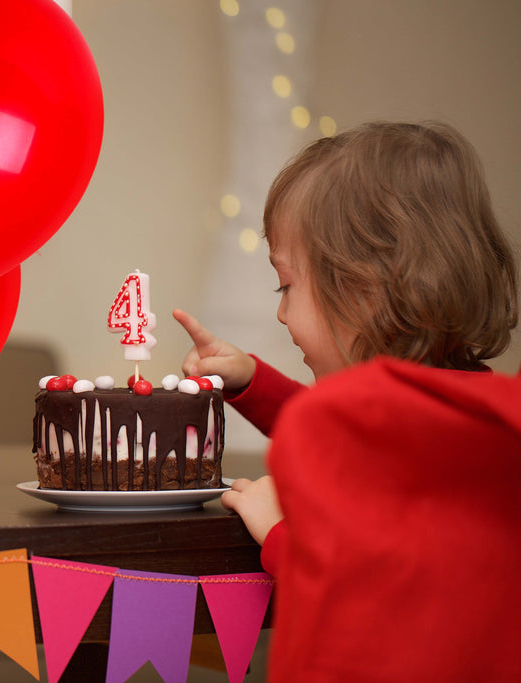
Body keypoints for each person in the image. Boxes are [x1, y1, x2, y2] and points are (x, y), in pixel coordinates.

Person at [174, 121, 521, 681]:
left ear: (363, 287)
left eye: (285, 285)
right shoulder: (484, 418)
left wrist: (282, 535)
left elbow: (371, 611)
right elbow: (351, 441)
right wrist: (250, 381)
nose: (282, 314)